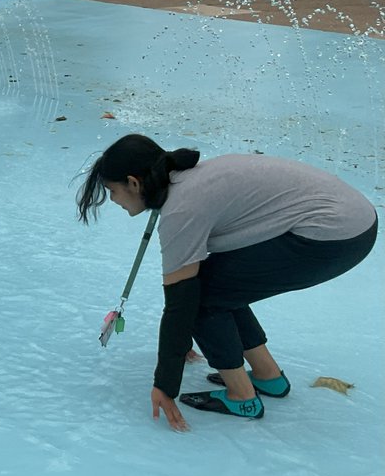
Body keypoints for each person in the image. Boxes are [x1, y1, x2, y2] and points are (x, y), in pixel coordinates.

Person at [77, 134, 377, 431]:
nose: (113, 200)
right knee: (220, 283)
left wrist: (166, 384)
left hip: (333, 235)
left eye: (111, 191)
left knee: (202, 295)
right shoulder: (186, 180)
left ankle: (242, 396)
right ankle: (267, 377)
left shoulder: (182, 207)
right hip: (355, 221)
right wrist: (180, 342)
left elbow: (182, 301)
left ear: (133, 182)